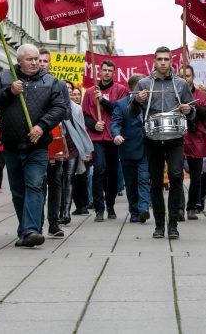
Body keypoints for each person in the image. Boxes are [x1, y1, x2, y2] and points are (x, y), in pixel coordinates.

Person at [0, 44, 66, 248]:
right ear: (19, 60)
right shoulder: (5, 77)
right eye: (30, 59)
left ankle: (31, 230)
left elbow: (59, 108)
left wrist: (42, 126)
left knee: (35, 186)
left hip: (37, 147)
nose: (35, 63)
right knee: (19, 191)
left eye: (37, 59)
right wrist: (9, 91)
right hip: (11, 146)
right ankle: (25, 231)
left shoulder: (50, 81)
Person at [130, 46, 195, 240]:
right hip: (152, 138)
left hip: (175, 137)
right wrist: (136, 102)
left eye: (166, 59)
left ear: (171, 61)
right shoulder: (143, 83)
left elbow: (193, 112)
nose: (163, 63)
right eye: (160, 59)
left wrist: (188, 111)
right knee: (156, 181)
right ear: (154, 61)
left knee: (176, 176)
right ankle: (159, 225)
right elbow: (131, 113)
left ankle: (173, 225)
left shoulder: (181, 84)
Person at [82, 60, 128, 222]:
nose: (107, 73)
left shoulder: (121, 90)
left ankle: (110, 204)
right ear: (99, 72)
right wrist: (94, 125)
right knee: (99, 169)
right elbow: (85, 115)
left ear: (114, 73)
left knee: (113, 173)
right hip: (97, 138)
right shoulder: (89, 92)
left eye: (110, 70)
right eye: (104, 70)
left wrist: (103, 101)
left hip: (114, 137)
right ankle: (99, 208)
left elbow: (120, 110)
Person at [38, 48, 71, 238]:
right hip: (37, 139)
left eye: (45, 61)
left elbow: (66, 112)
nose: (41, 64)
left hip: (56, 138)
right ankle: (38, 222)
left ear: (50, 64)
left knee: (56, 181)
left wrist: (52, 112)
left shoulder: (59, 85)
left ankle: (54, 222)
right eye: (39, 60)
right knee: (38, 182)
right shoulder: (28, 84)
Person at [111, 73, 151, 223]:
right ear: (133, 88)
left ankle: (144, 209)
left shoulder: (150, 103)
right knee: (131, 182)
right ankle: (134, 211)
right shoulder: (121, 104)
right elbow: (115, 123)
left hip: (147, 148)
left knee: (144, 179)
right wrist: (116, 135)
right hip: (128, 148)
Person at [179, 65, 206, 220]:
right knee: (176, 175)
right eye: (182, 76)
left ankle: (192, 206)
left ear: (193, 76)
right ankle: (179, 207)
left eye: (187, 75)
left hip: (196, 139)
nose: (185, 79)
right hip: (178, 138)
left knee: (196, 177)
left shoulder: (201, 94)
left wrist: (193, 107)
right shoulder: (174, 93)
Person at [59, 80, 94, 223]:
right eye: (64, 88)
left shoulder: (76, 108)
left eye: (69, 88)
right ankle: (58, 210)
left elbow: (81, 129)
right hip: (58, 145)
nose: (67, 90)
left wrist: (85, 149)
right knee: (58, 180)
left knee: (68, 177)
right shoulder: (52, 105)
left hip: (73, 146)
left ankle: (66, 212)